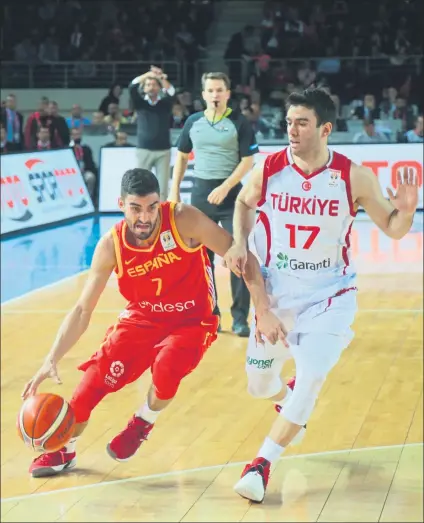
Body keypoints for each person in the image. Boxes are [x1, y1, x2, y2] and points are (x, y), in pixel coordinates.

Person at [223, 87, 419, 503]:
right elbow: (243, 202)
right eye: (289, 122)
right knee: (259, 387)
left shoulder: (353, 175)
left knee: (312, 375)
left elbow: (395, 229)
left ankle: (260, 464)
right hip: (276, 295)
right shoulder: (270, 167)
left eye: (302, 123)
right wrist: (240, 242)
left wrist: (407, 208)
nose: (291, 130)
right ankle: (290, 400)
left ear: (325, 128)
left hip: (330, 294)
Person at [21, 168, 271, 479]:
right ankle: (64, 447)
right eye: (136, 208)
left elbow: (242, 256)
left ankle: (143, 420)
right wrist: (51, 358)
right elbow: (83, 309)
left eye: (152, 207)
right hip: (143, 318)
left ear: (161, 203)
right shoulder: (111, 246)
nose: (145, 217)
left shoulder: (184, 219)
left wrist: (263, 307)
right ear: (121, 204)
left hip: (193, 319)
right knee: (88, 389)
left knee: (167, 365)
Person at [169, 72, 259, 336]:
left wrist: (225, 187)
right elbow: (182, 157)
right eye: (210, 90)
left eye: (220, 90)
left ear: (228, 94)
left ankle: (240, 317)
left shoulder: (239, 123)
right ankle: (211, 314)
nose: (215, 95)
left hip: (232, 198)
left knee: (238, 254)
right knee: (200, 260)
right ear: (204, 94)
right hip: (200, 196)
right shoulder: (193, 122)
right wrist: (174, 192)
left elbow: (247, 161)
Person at [129, 66, 175, 200]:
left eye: (154, 84)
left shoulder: (165, 104)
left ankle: (161, 216)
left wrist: (161, 78)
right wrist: (148, 74)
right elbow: (132, 86)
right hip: (144, 150)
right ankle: (141, 215)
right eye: (148, 84)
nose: (151, 87)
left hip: (163, 150)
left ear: (159, 88)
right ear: (144, 88)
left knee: (162, 187)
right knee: (141, 185)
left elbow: (172, 93)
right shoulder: (140, 104)